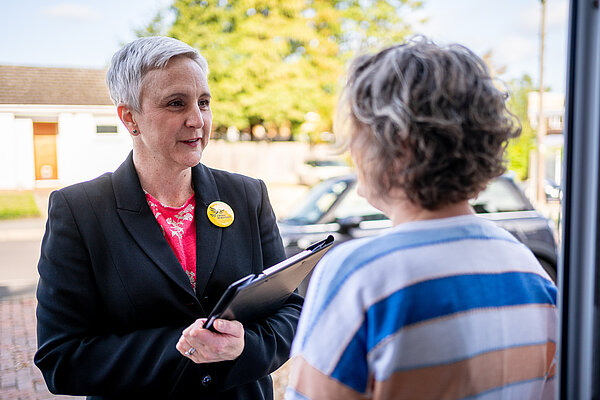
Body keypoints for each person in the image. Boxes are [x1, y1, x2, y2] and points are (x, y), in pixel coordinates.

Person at [286, 37, 557, 400]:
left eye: (356, 133)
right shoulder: (530, 272)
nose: (350, 150)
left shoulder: (359, 275)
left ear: (398, 145)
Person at [34, 36, 302, 399]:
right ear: (130, 118)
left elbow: (290, 311)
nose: (198, 120)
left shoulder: (247, 195)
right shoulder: (79, 210)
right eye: (176, 103)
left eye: (204, 102)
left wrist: (243, 347)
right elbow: (61, 358)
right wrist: (187, 348)